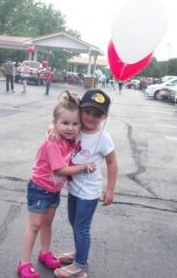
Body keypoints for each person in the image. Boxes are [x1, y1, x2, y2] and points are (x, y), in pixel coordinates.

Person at [18, 90, 97, 278]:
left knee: (47, 223)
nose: (70, 128)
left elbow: (62, 128)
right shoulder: (53, 142)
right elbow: (59, 170)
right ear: (56, 123)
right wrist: (83, 168)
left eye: (75, 124)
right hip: (39, 188)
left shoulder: (68, 140)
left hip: (53, 190)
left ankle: (45, 253)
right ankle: (24, 262)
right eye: (65, 123)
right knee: (35, 225)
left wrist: (53, 127)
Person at [51, 89, 118, 278]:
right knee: (74, 222)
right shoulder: (77, 128)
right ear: (80, 110)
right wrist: (53, 128)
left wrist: (110, 189)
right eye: (87, 111)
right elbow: (61, 127)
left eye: (97, 114)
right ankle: (80, 253)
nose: (90, 117)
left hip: (89, 193)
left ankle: (80, 265)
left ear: (104, 117)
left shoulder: (103, 137)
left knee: (81, 227)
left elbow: (112, 162)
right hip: (74, 188)